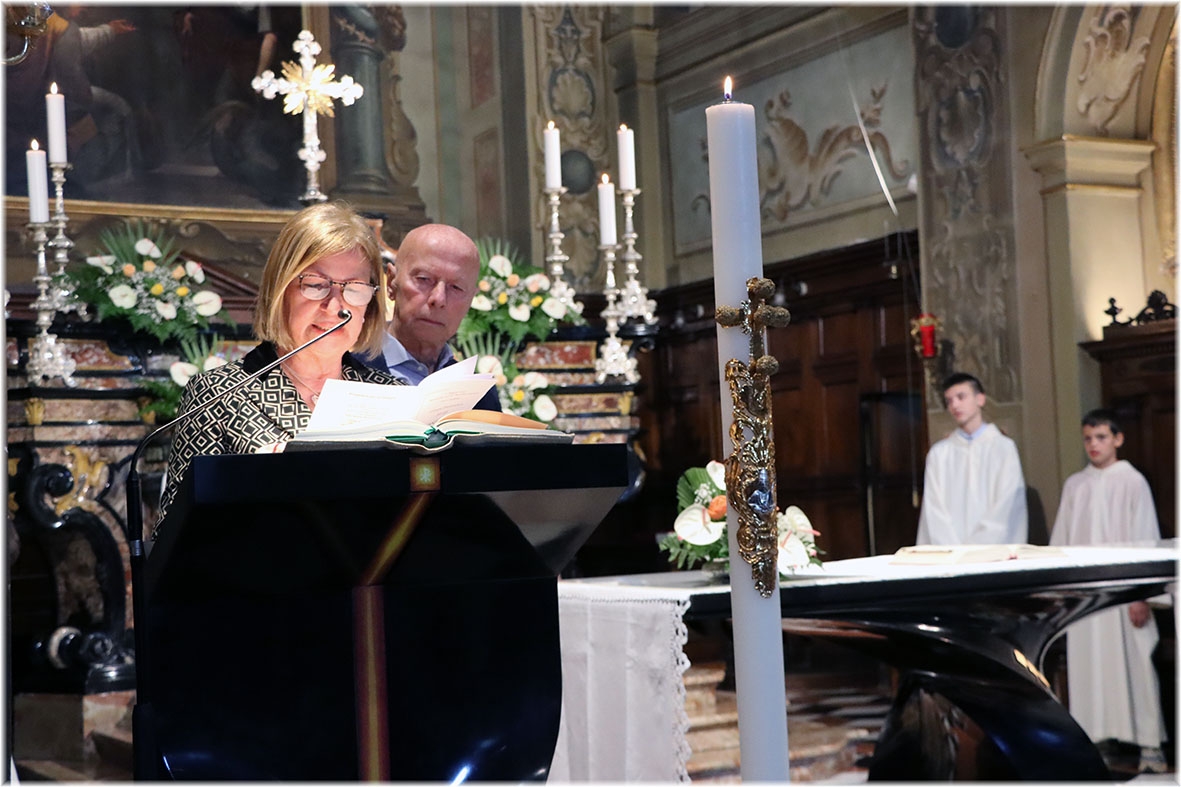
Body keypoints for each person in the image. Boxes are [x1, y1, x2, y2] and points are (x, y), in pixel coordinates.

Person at [155, 202, 403, 533]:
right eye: (316, 284)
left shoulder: (395, 397)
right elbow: (175, 535)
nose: (335, 306)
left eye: (354, 289)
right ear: (280, 289)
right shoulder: (217, 396)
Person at [1049, 409, 1167, 774]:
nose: (1093, 445)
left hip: (1123, 594)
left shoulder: (1132, 481)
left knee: (1135, 665)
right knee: (1089, 668)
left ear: (1118, 439)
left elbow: (1145, 537)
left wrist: (1140, 594)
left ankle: (1149, 745)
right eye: (1088, 438)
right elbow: (1062, 542)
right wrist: (1063, 594)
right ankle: (1095, 741)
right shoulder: (1075, 485)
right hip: (1086, 595)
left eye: (1101, 437)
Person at [360, 223, 500, 411]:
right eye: (424, 279)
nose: (439, 298)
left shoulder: (480, 394)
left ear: (471, 300)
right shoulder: (346, 369)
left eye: (456, 288)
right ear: (392, 282)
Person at [915, 372, 1027, 545]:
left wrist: (979, 545)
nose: (955, 405)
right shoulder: (939, 454)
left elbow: (1007, 503)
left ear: (980, 399)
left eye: (961, 397)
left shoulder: (1003, 448)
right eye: (949, 401)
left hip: (993, 549)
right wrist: (954, 549)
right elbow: (933, 508)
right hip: (950, 552)